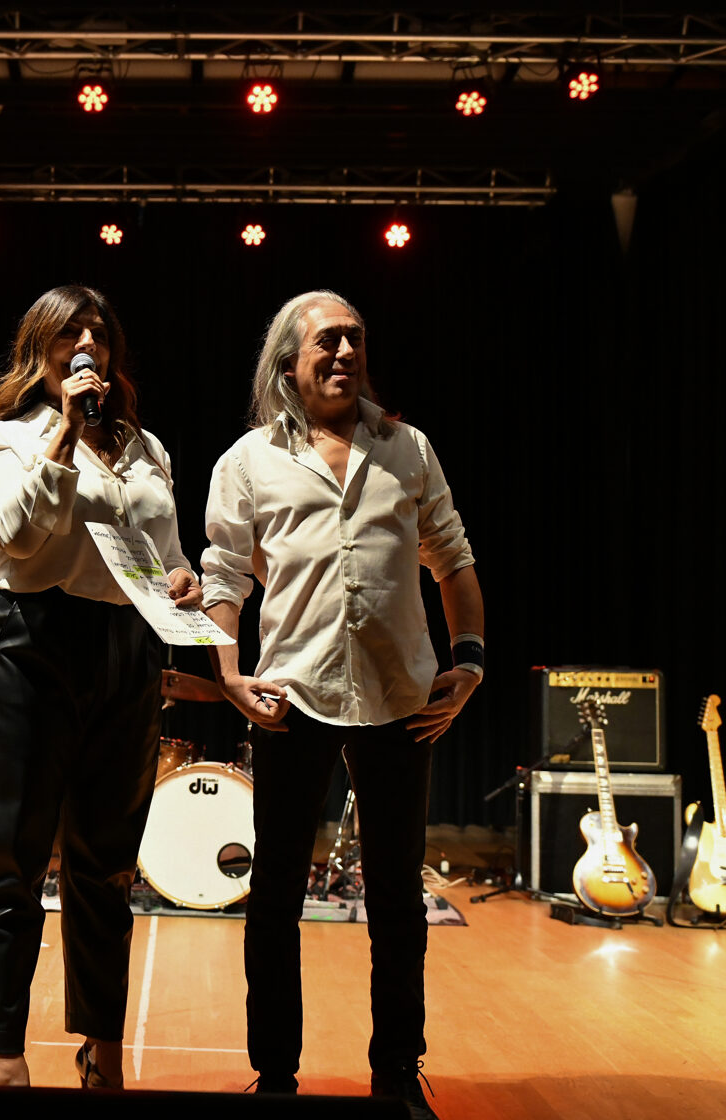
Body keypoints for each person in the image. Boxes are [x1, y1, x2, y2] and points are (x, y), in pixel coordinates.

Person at [200, 290, 484, 1119]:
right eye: (328, 340)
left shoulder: (408, 448)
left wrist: (470, 659)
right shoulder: (249, 461)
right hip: (292, 696)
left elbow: (452, 557)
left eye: (355, 338)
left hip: (401, 697)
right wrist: (228, 674)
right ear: (288, 363)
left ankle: (396, 1072)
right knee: (275, 896)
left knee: (396, 899)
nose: (346, 352)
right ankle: (276, 1077)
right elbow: (223, 577)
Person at [0, 284, 200, 1089]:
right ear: (42, 350)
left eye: (100, 333)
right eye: (72, 333)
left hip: (126, 646)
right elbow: (16, 536)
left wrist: (183, 581)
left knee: (106, 864)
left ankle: (103, 1050)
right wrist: (66, 434)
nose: (89, 344)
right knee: (13, 853)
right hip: (30, 643)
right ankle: (5, 1054)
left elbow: (168, 554)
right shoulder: (5, 439)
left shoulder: (146, 449)